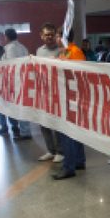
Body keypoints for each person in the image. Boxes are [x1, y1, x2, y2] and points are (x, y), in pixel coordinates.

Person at [52, 30, 86, 180]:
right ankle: (78, 161)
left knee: (67, 133)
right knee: (74, 132)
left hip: (73, 97)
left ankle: (69, 166)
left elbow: (80, 74)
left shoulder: (75, 52)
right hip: (66, 96)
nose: (56, 38)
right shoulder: (64, 52)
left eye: (58, 36)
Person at [35, 23, 64, 163]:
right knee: (44, 122)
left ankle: (60, 151)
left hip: (57, 92)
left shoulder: (61, 50)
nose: (50, 37)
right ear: (41, 36)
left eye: (52, 34)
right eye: (47, 34)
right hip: (43, 91)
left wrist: (58, 61)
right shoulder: (39, 51)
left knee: (56, 123)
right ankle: (50, 150)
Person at [1, 28, 32, 140]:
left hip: (15, 81)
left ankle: (24, 132)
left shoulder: (10, 48)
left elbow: (10, 65)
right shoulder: (23, 47)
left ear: (6, 37)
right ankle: (26, 131)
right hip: (24, 80)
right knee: (24, 106)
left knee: (18, 107)